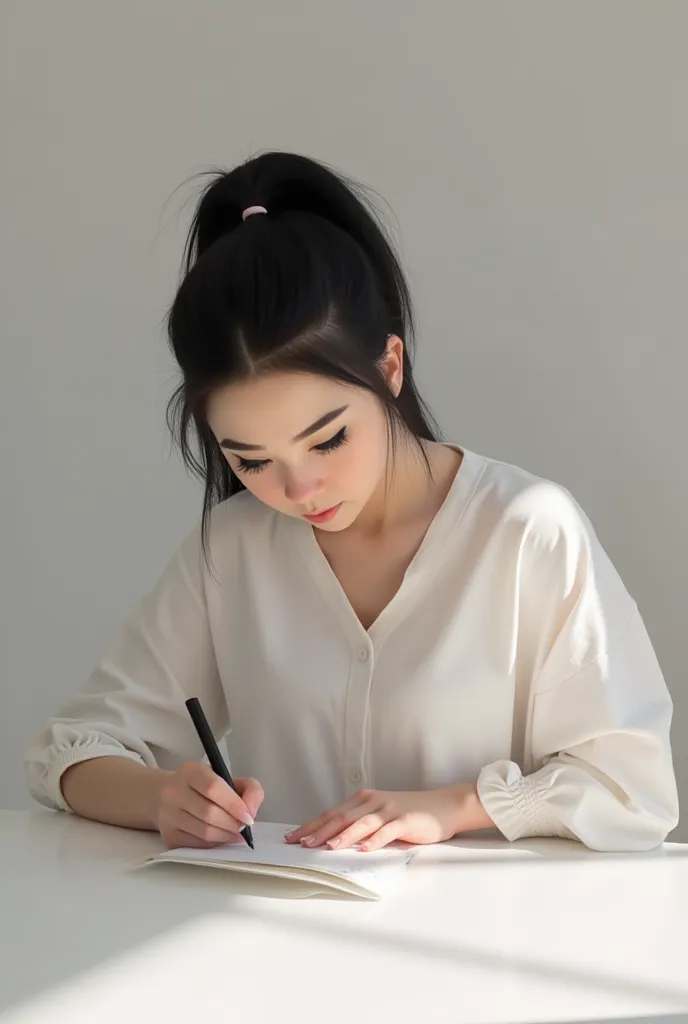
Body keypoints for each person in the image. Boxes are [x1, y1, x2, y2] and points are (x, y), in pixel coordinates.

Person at [26, 151, 679, 854]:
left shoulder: (525, 531)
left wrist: (452, 807)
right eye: (251, 461)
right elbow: (68, 751)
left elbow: (630, 787)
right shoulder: (236, 547)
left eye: (328, 439)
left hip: (488, 947)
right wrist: (163, 799)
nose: (298, 489)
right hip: (275, 940)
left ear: (390, 366)